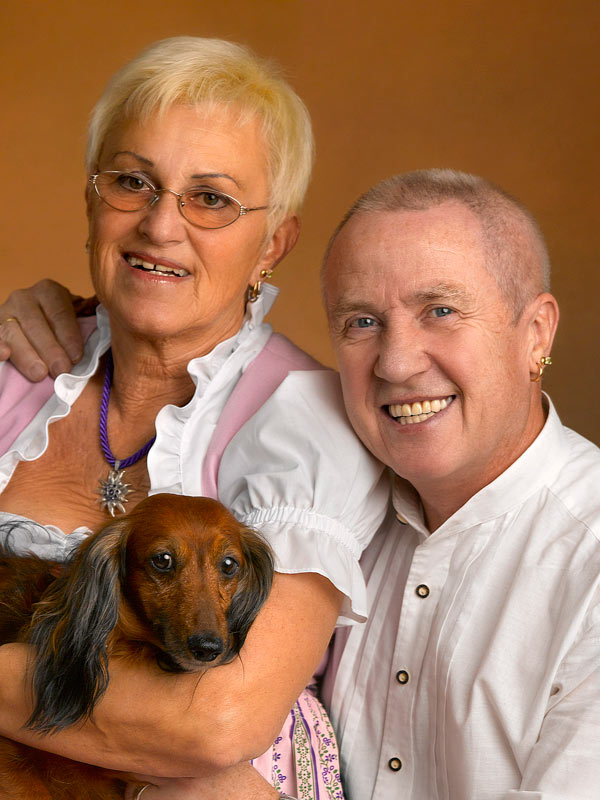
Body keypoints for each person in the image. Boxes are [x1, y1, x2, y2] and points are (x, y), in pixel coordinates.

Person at [0, 36, 389, 800]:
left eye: (210, 198)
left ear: (272, 243)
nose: (160, 226)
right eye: (132, 183)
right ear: (90, 201)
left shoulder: (304, 423)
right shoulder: (21, 359)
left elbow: (214, 723)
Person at [319, 169, 600, 799]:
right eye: (361, 323)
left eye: (440, 311)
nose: (395, 362)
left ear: (536, 335)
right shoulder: (327, 514)